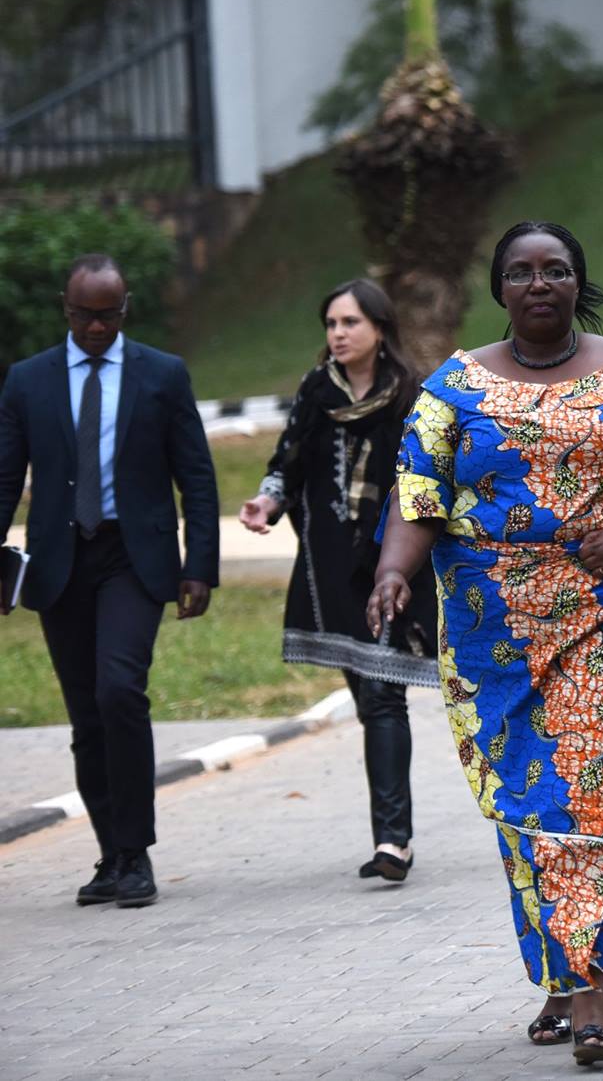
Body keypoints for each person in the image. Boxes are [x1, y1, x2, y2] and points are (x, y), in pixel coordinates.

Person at [366, 221, 603, 1067]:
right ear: (500, 289)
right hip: (489, 632)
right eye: (521, 272)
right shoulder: (453, 387)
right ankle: (562, 973)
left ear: (580, 282)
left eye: (557, 270)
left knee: (596, 801)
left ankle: (592, 997)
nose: (540, 283)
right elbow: (416, 495)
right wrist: (394, 574)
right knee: (530, 809)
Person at [0, 253, 218, 909]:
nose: (97, 327)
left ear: (125, 310)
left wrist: (199, 566)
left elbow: (198, 476)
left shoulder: (162, 375)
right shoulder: (27, 381)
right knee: (86, 717)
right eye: (85, 315)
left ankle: (139, 853)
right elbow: (6, 477)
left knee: (120, 690)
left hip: (133, 558)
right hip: (61, 563)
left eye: (110, 314)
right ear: (66, 312)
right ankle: (109, 856)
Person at [236, 278, 438, 882]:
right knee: (365, 695)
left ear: (379, 328)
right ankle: (393, 830)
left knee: (382, 694)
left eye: (349, 323)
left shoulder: (409, 395)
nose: (338, 334)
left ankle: (393, 841)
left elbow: (429, 472)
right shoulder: (317, 390)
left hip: (390, 566)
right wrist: (268, 504)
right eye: (331, 324)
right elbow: (287, 460)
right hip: (330, 563)